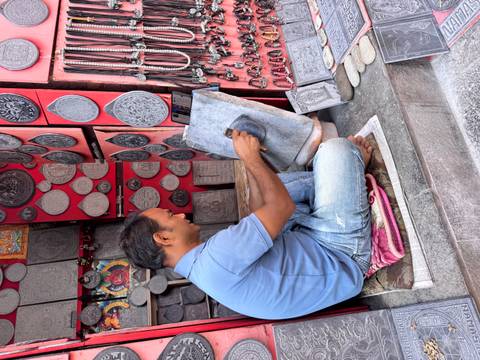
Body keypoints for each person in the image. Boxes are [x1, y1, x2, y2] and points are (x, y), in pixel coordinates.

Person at [120, 130, 373, 320]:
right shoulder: (216, 259)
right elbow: (280, 208)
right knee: (336, 150)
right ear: (163, 238)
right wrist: (250, 157)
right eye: (170, 215)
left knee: (276, 187)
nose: (182, 216)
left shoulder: (205, 267)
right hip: (342, 254)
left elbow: (258, 213)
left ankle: (339, 177)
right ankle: (350, 166)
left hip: (309, 241)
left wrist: (246, 162)